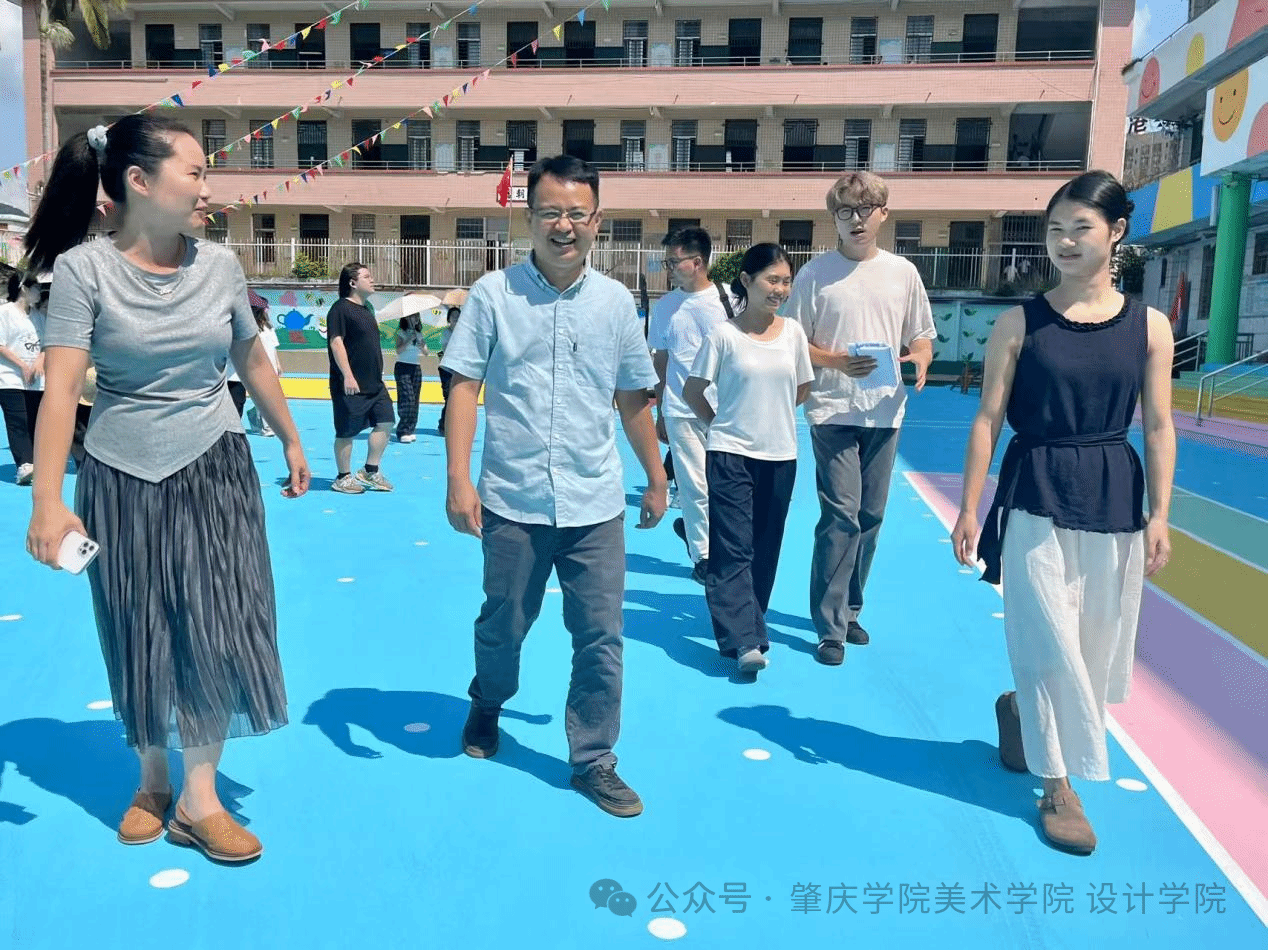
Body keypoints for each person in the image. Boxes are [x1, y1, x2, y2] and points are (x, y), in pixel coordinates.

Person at [23, 115, 311, 864]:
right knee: (137, 624)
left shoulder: (221, 266)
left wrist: (289, 435)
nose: (208, 188)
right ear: (140, 182)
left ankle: (199, 799)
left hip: (215, 464)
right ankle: (152, 781)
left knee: (217, 622)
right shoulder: (84, 271)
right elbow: (61, 390)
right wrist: (47, 499)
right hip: (120, 473)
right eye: (195, 172)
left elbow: (251, 358)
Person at [951, 171, 1175, 855]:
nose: (1066, 241)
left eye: (1081, 227)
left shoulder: (1150, 326)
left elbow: (1159, 425)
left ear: (1116, 232)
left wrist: (1161, 514)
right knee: (1046, 636)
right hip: (1035, 489)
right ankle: (1058, 785)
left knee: (1092, 641)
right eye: (1055, 229)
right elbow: (988, 419)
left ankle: (1022, 712)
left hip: (1113, 491)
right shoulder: (1019, 323)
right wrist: (969, 508)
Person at [442, 155, 667, 818]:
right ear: (530, 218)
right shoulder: (494, 295)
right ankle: (488, 700)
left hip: (595, 503)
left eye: (576, 213)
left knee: (600, 634)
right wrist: (458, 478)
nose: (563, 226)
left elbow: (633, 396)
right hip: (513, 500)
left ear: (597, 221)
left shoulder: (616, 303)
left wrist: (657, 477)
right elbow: (463, 387)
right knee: (504, 624)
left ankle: (593, 757)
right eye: (550, 213)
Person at [784, 170, 935, 665]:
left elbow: (921, 335)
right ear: (833, 218)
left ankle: (850, 609)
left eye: (865, 209)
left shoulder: (903, 273)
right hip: (831, 410)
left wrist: (921, 357)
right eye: (845, 211)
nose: (856, 219)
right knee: (841, 514)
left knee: (870, 517)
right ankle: (829, 626)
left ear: (883, 214)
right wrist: (835, 361)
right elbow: (793, 341)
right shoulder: (814, 275)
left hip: (885, 411)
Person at [683, 243, 812, 674]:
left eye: (786, 281)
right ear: (746, 280)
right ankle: (745, 640)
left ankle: (747, 624)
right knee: (734, 547)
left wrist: (769, 415)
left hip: (781, 455)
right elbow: (693, 391)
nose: (780, 289)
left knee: (765, 549)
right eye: (772, 280)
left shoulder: (793, 334)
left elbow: (802, 388)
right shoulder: (724, 336)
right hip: (730, 454)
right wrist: (720, 424)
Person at [647, 226, 734, 585]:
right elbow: (661, 361)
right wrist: (660, 411)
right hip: (681, 411)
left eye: (674, 261)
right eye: (667, 261)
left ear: (697, 262)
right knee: (695, 486)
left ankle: (717, 542)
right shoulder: (665, 307)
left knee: (728, 486)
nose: (668, 268)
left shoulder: (731, 300)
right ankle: (704, 556)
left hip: (727, 410)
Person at [327, 262, 394, 493]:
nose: (372, 280)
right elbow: (336, 342)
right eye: (367, 276)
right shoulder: (340, 309)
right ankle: (343, 477)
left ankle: (370, 470)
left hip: (374, 384)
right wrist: (348, 375)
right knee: (346, 431)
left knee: (386, 421)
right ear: (353, 283)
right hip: (350, 384)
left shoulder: (367, 309)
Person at [0, 272, 43, 485]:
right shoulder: (4, 312)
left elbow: (47, 343)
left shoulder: (39, 316)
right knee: (18, 421)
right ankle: (24, 465)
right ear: (24, 288)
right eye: (36, 287)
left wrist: (39, 361)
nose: (40, 292)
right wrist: (22, 365)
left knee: (36, 421)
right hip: (9, 378)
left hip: (37, 381)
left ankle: (35, 463)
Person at [393, 313, 424, 442]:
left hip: (416, 367)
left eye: (416, 317)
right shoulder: (401, 333)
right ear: (406, 318)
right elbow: (398, 350)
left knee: (415, 399)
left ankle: (410, 428)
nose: (415, 319)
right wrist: (408, 340)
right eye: (412, 316)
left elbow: (426, 352)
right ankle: (403, 430)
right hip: (403, 367)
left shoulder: (419, 334)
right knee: (407, 398)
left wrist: (421, 344)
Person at [435, 306, 460, 435]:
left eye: (458, 316)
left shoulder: (464, 333)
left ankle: (452, 425)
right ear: (449, 319)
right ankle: (443, 425)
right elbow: (446, 349)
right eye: (453, 316)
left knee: (457, 398)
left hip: (458, 370)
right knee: (449, 397)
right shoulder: (446, 333)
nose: (456, 318)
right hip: (446, 369)